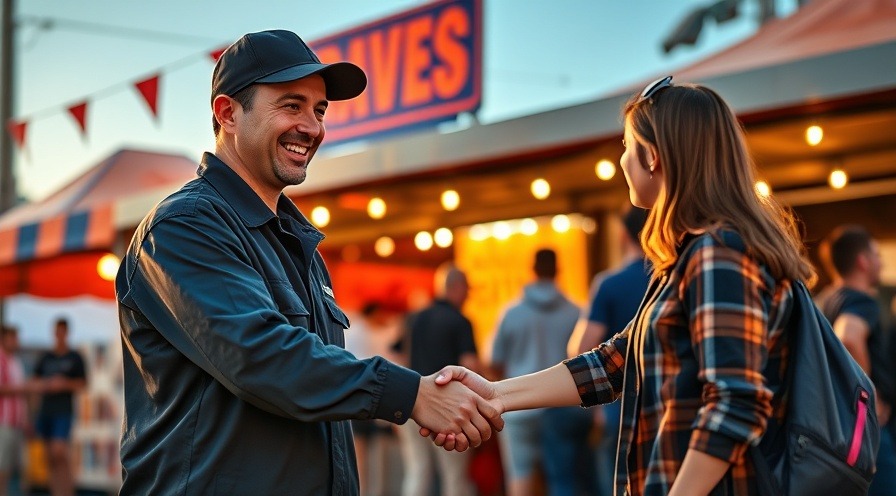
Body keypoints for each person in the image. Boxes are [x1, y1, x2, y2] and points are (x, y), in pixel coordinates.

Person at [115, 29, 501, 495]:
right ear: (227, 113)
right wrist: (410, 394)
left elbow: (314, 387)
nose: (313, 127)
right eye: (291, 105)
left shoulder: (298, 245)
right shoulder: (185, 226)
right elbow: (259, 356)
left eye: (319, 111)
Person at [424, 76, 816, 496]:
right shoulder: (690, 259)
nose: (622, 159)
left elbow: (735, 405)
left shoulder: (717, 254)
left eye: (627, 145)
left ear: (654, 156)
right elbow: (612, 366)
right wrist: (494, 394)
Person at [490, 248, 587, 496]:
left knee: (520, 474)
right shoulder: (576, 312)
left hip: (517, 405)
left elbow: (495, 362)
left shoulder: (511, 313)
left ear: (533, 270)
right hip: (561, 406)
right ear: (558, 270)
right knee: (562, 478)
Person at [567, 206, 649, 496]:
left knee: (614, 481)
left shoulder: (609, 284)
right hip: (666, 404)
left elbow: (579, 347)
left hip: (618, 405)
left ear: (623, 235)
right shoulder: (672, 279)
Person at [817, 225, 896, 495]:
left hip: (838, 427)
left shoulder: (826, 299)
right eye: (876, 254)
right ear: (863, 261)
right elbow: (849, 336)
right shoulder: (861, 300)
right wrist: (869, 396)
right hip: (868, 427)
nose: (880, 261)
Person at [394, 263, 481, 496]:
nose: (468, 295)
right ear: (456, 287)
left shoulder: (414, 318)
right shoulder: (460, 321)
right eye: (467, 289)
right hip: (447, 407)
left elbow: (397, 356)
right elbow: (471, 366)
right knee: (454, 475)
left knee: (418, 470)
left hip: (411, 400)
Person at [343, 301, 403, 496]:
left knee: (364, 454)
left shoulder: (357, 331)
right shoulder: (362, 332)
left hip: (358, 397)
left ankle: (364, 491)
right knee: (369, 454)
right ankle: (369, 491)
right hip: (367, 397)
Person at [33, 318, 86, 496]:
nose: (59, 335)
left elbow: (83, 383)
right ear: (54, 332)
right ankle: (56, 492)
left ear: (66, 333)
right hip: (45, 410)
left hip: (63, 411)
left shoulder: (75, 357)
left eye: (62, 331)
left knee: (59, 451)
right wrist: (46, 384)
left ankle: (68, 492)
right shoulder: (46, 357)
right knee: (50, 458)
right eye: (57, 331)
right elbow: (34, 381)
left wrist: (63, 384)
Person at [0, 325, 28, 496]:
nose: (15, 342)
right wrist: (23, 388)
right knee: (2, 468)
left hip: (16, 423)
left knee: (13, 469)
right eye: (12, 338)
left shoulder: (16, 362)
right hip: (3, 422)